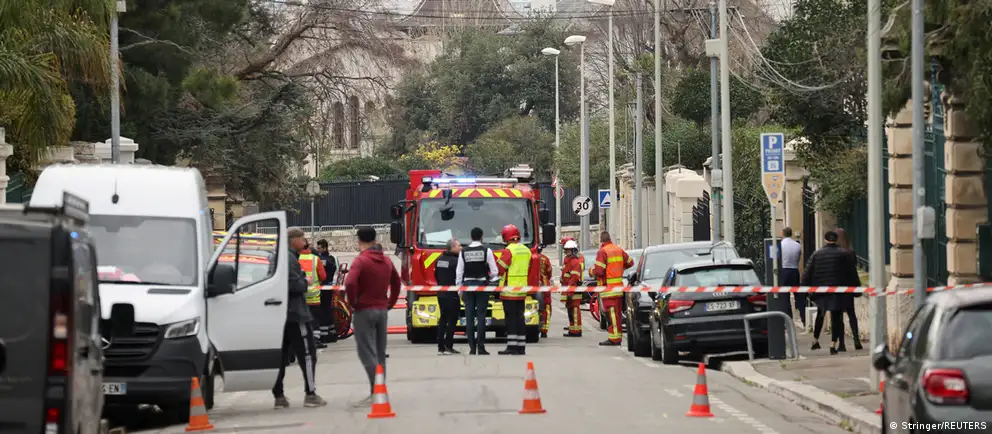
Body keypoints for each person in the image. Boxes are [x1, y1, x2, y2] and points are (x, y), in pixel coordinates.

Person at [344, 227, 402, 407]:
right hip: (381, 310)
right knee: (379, 352)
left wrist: (353, 302)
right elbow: (397, 282)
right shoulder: (386, 260)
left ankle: (375, 391)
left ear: (359, 240)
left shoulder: (360, 261)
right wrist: (390, 302)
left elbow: (350, 282)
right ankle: (379, 390)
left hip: (364, 310)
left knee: (366, 352)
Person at [272, 227, 326, 409]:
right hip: (296, 314)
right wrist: (305, 281)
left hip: (281, 314)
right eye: (302, 238)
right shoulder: (289, 258)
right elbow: (293, 284)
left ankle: (279, 396)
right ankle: (310, 394)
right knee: (308, 354)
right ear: (293, 240)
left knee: (281, 356)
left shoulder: (281, 256)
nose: (305, 241)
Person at [801, 230, 861, 355]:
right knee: (836, 317)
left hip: (821, 291)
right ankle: (833, 344)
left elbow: (807, 273)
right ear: (836, 240)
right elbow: (852, 273)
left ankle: (815, 340)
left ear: (825, 240)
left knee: (820, 314)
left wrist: (805, 289)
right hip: (839, 291)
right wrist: (856, 288)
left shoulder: (817, 254)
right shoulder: (844, 254)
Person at [456, 227, 499, 355]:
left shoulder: (463, 252)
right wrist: (489, 278)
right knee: (481, 316)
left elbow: (459, 272)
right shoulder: (487, 251)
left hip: (467, 286)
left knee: (469, 316)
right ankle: (481, 347)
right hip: (482, 285)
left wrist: (459, 289)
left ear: (470, 237)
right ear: (482, 237)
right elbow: (495, 271)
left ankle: (472, 348)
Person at [591, 231, 634, 346]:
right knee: (617, 314)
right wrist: (620, 268)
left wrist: (591, 272)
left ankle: (614, 338)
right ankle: (617, 336)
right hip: (618, 288)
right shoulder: (618, 249)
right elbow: (630, 262)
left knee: (611, 315)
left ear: (601, 240)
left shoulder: (603, 251)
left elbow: (599, 271)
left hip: (608, 289)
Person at [494, 224, 531, 355]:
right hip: (522, 290)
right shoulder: (526, 250)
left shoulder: (508, 251)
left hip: (509, 290)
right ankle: (521, 347)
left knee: (511, 320)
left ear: (505, 237)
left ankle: (511, 346)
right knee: (520, 319)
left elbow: (499, 269)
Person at [834, 228, 863, 350]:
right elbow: (853, 270)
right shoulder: (851, 253)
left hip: (837, 287)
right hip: (849, 287)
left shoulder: (834, 253)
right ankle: (856, 339)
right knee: (851, 313)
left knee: (838, 316)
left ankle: (841, 344)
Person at [434, 239, 462, 355]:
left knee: (443, 319)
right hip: (452, 293)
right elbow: (459, 276)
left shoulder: (439, 259)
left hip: (441, 293)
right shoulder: (456, 261)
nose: (461, 247)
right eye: (459, 245)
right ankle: (448, 346)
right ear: (452, 247)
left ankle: (441, 348)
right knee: (452, 320)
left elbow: (436, 275)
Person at [297, 242, 328, 349]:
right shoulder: (315, 259)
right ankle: (315, 340)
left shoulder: (295, 259)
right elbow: (323, 276)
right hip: (314, 295)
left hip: (300, 295)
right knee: (315, 319)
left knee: (301, 320)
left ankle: (303, 341)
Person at [559, 236, 585, 332]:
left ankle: (576, 330)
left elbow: (574, 278)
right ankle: (572, 328)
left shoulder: (574, 262)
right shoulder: (569, 261)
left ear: (573, 251)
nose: (566, 252)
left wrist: (569, 292)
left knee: (574, 309)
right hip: (568, 289)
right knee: (570, 309)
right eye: (566, 250)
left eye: (568, 250)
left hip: (574, 290)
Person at [315, 239, 338, 344]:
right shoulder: (330, 258)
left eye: (319, 248)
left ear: (325, 248)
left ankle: (325, 335)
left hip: (324, 287)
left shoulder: (323, 259)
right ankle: (331, 334)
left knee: (324, 311)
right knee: (327, 310)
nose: (317, 250)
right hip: (327, 287)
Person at [779, 227, 804, 325]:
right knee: (798, 295)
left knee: (785, 296)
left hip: (784, 270)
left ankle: (789, 319)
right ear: (791, 233)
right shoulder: (797, 245)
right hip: (794, 270)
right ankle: (803, 316)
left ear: (782, 233)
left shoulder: (780, 245)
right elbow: (798, 258)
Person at [537, 247, 553, 338]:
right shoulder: (545, 259)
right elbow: (549, 273)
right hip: (545, 286)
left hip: (531, 286)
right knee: (546, 307)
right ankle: (544, 330)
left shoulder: (528, 257)